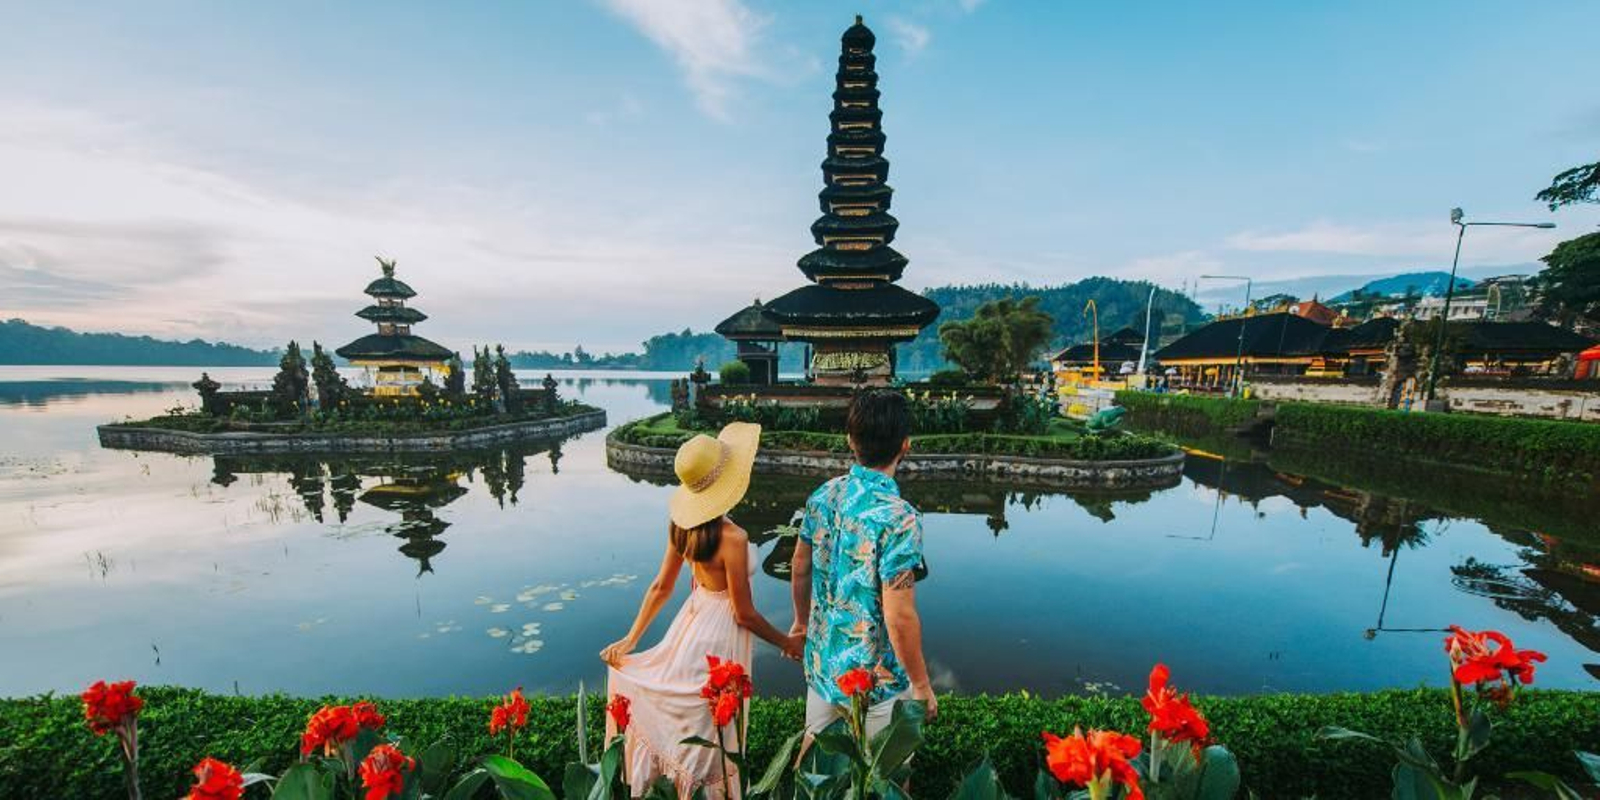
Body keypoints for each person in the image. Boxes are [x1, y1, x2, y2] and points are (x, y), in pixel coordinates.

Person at [600, 421, 804, 799]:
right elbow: (743, 613)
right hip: (722, 633)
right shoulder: (734, 538)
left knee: (693, 717)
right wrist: (787, 642)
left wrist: (632, 640)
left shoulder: (682, 526)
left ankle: (677, 787)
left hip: (690, 625)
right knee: (714, 725)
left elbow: (661, 587)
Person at [790, 389, 936, 740]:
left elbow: (799, 566)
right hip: (875, 680)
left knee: (817, 775)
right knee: (889, 779)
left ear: (850, 440)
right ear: (905, 445)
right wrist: (921, 684)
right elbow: (898, 614)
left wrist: (800, 622)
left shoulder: (823, 496)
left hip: (824, 665)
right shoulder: (899, 519)